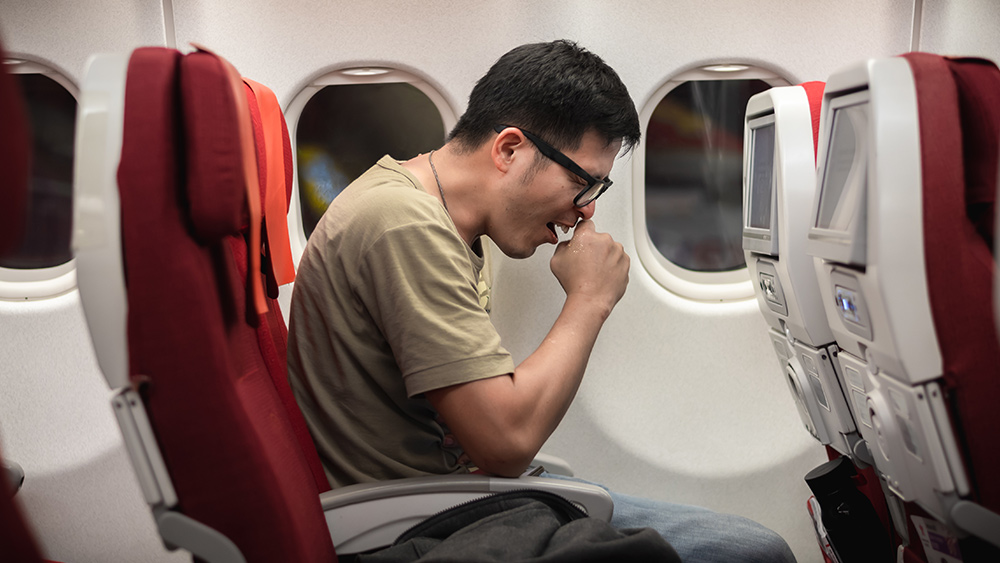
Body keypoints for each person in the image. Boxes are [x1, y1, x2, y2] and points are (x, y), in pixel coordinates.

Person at [287, 39, 796, 562]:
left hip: (453, 499)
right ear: (509, 149)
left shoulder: (437, 219)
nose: (584, 213)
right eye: (582, 183)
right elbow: (505, 442)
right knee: (753, 552)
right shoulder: (403, 225)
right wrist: (589, 299)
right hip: (414, 524)